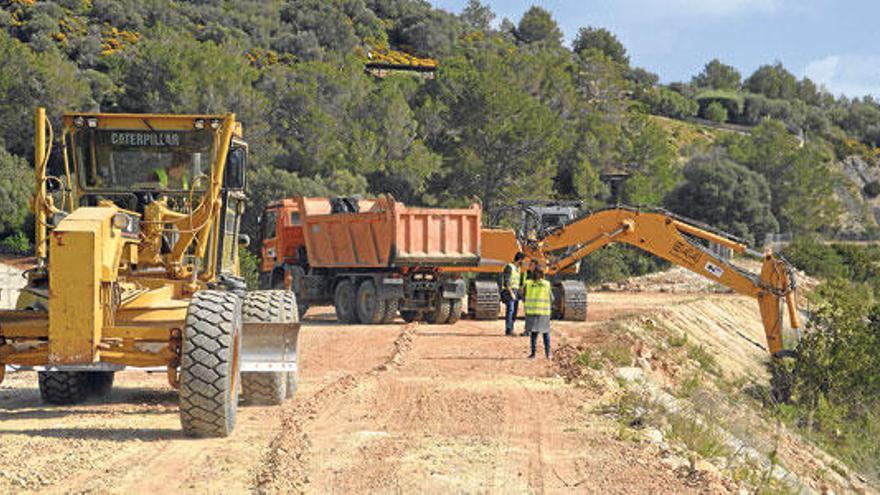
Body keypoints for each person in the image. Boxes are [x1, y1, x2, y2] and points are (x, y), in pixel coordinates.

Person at [523, 266, 553, 359]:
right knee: (546, 333)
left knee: (534, 334)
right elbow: (552, 298)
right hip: (544, 312)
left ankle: (533, 354)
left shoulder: (528, 284)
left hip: (532, 312)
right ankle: (548, 354)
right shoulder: (546, 284)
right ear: (542, 274)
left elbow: (523, 296)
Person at [502, 252, 525, 336]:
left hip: (516, 291)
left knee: (514, 311)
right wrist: (511, 292)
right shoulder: (509, 267)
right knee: (510, 310)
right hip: (509, 291)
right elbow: (506, 281)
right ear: (519, 260)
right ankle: (509, 330)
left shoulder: (518, 269)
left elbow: (518, 282)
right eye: (522, 260)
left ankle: (511, 328)